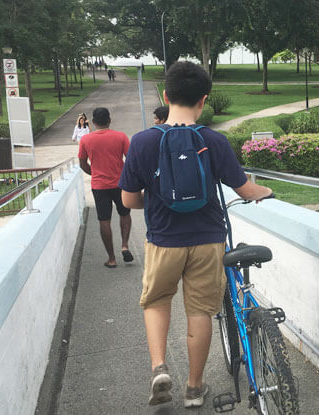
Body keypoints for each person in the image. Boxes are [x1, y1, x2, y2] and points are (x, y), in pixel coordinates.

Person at [119, 61, 272, 408]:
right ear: (203, 100)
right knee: (200, 312)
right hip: (208, 240)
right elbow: (245, 190)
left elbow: (129, 200)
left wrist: (157, 200)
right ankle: (194, 387)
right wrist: (266, 191)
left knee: (156, 301)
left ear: (165, 95)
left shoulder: (143, 142)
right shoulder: (213, 141)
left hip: (163, 240)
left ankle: (160, 368)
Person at [78, 107, 134, 268]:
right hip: (120, 183)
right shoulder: (121, 136)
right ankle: (124, 245)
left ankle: (111, 258)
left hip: (99, 185)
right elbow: (130, 160)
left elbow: (82, 163)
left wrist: (94, 172)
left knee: (104, 219)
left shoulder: (86, 140)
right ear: (110, 120)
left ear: (93, 122)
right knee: (125, 213)